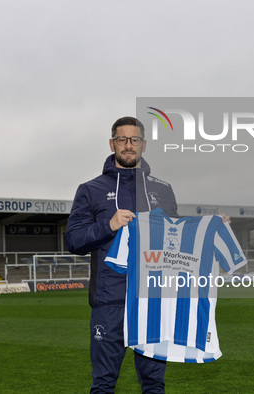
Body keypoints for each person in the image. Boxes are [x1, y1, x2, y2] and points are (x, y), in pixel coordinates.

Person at [65, 116, 178, 393]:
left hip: (151, 301)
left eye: (134, 140)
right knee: (103, 384)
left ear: (143, 144)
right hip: (109, 302)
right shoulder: (90, 190)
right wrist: (109, 225)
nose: (128, 145)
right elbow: (73, 241)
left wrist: (210, 230)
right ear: (112, 143)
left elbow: (175, 242)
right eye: (122, 139)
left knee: (154, 384)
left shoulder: (162, 191)